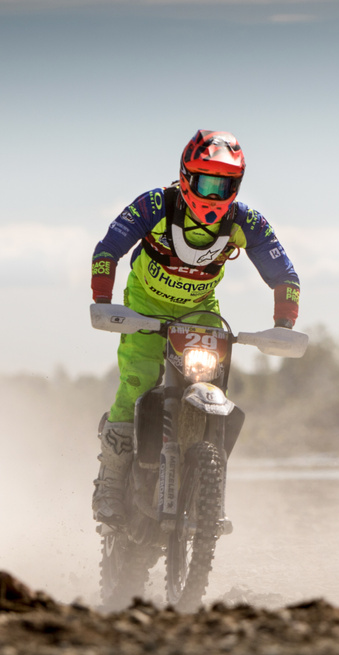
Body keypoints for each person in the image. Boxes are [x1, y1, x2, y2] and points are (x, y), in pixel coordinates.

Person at [89, 129, 300, 525]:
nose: (213, 194)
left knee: (213, 387)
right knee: (136, 379)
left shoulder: (246, 222)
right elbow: (108, 249)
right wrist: (103, 300)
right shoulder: (155, 204)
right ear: (186, 176)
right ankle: (111, 483)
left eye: (224, 185)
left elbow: (285, 275)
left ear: (236, 186)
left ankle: (206, 486)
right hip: (144, 307)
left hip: (200, 313)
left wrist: (284, 322)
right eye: (206, 181)